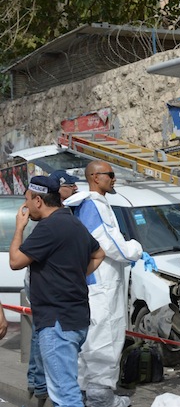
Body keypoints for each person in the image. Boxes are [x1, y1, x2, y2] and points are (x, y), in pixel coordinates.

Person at [9, 176, 105, 407]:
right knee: (64, 388)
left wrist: (19, 228)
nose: (26, 207)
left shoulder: (49, 228)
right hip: (75, 318)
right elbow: (99, 253)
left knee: (65, 395)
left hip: (57, 322)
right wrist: (73, 275)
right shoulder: (72, 222)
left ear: (39, 201)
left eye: (27, 201)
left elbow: (15, 261)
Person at [63, 161, 152, 407]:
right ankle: (100, 397)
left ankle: (86, 392)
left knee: (93, 340)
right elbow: (110, 244)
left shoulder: (89, 204)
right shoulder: (93, 205)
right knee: (106, 338)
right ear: (94, 177)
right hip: (102, 284)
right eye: (110, 175)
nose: (114, 179)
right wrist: (136, 249)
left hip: (98, 282)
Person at [24, 169, 81, 399]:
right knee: (42, 332)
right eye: (70, 185)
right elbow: (16, 260)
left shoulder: (57, 218)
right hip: (46, 290)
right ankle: (38, 383)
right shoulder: (45, 220)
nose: (75, 189)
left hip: (54, 294)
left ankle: (37, 382)